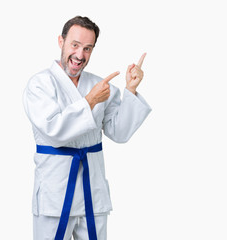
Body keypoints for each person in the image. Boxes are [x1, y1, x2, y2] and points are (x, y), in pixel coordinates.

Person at [23, 16, 151, 240]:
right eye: (75, 45)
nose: (80, 55)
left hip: (92, 190)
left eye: (87, 48)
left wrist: (130, 89)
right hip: (55, 192)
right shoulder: (39, 85)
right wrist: (89, 101)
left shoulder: (100, 86)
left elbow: (119, 133)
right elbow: (54, 131)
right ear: (61, 42)